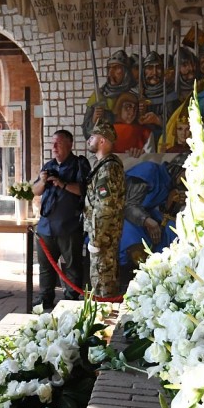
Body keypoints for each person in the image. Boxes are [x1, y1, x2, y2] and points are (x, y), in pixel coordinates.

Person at [32, 129, 90, 310]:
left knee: (72, 267)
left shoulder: (79, 164)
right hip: (46, 227)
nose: (54, 147)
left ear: (70, 144)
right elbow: (35, 191)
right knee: (45, 267)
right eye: (53, 143)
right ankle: (45, 299)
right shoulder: (48, 166)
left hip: (69, 226)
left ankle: (70, 301)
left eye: (59, 143)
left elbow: (85, 190)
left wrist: (62, 184)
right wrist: (42, 181)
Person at [119, 160, 186, 282]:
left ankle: (167, 270)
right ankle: (138, 275)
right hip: (124, 217)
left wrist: (172, 203)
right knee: (132, 237)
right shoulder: (149, 171)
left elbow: (166, 211)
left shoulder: (170, 184)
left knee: (172, 229)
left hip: (147, 216)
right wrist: (147, 221)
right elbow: (128, 206)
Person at [84, 121, 125, 298]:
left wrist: (96, 239)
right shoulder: (103, 165)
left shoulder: (107, 169)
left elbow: (104, 208)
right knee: (101, 280)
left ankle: (105, 313)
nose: (89, 140)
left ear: (102, 140)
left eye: (93, 136)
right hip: (103, 236)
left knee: (103, 283)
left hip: (103, 238)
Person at [81, 49, 136, 142]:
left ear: (126, 72)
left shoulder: (134, 94)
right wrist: (94, 120)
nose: (110, 73)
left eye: (116, 68)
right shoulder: (98, 95)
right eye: (109, 68)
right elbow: (87, 134)